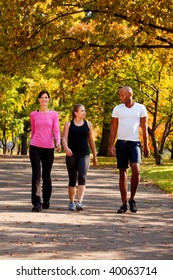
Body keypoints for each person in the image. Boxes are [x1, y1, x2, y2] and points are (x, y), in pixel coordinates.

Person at [109, 86, 150, 213]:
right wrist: (111, 145)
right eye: (120, 95)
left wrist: (147, 145)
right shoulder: (117, 109)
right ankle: (124, 203)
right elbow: (114, 128)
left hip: (135, 144)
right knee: (123, 172)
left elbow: (144, 128)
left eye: (122, 95)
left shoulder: (141, 108)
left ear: (129, 95)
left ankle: (132, 198)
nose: (120, 97)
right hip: (121, 143)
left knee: (136, 169)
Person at [29, 90, 61, 212]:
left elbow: (56, 130)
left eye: (46, 97)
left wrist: (57, 142)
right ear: (38, 100)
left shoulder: (54, 114)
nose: (44, 99)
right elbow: (33, 130)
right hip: (35, 146)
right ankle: (37, 202)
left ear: (49, 100)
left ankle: (46, 199)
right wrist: (31, 142)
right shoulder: (33, 114)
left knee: (46, 175)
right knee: (36, 174)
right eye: (41, 97)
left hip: (49, 147)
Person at [62, 104, 97, 211]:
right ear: (75, 113)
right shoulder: (69, 124)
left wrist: (95, 155)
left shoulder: (88, 124)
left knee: (82, 177)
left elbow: (91, 141)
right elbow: (64, 138)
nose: (84, 112)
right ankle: (71, 202)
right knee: (72, 179)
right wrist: (66, 148)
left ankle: (79, 202)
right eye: (82, 111)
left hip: (84, 154)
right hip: (71, 155)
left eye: (84, 110)